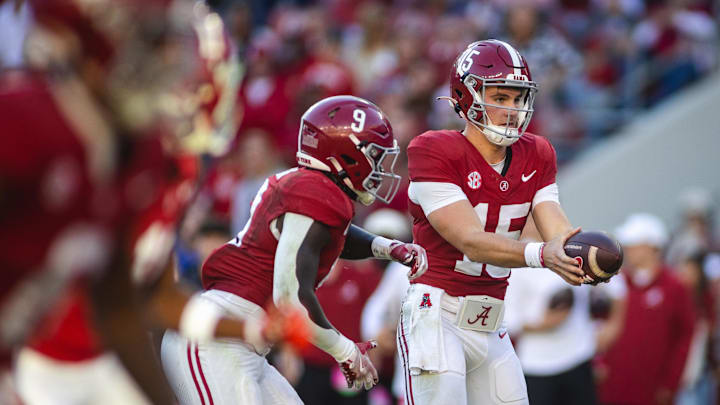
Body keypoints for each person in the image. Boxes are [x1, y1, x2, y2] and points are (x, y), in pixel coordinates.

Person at [2, 1, 296, 404]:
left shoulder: (148, 159)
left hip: (89, 360)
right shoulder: (27, 123)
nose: (180, 73)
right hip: (36, 366)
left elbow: (127, 303)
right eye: (161, 47)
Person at [160, 95, 429, 405]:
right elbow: (289, 298)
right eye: (374, 155)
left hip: (245, 341)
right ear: (346, 153)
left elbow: (332, 236)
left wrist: (386, 247)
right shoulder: (314, 193)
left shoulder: (311, 188)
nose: (380, 168)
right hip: (217, 337)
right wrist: (345, 351)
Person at [399, 39, 588, 405]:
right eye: (500, 97)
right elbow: (471, 240)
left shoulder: (538, 152)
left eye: (518, 99)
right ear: (465, 97)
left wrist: (584, 255)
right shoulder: (433, 149)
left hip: (491, 318)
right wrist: (543, 255)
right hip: (437, 311)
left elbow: (557, 229)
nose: (512, 110)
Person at [595, 213, 695, 405]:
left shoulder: (674, 286)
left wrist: (671, 383)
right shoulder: (614, 282)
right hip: (614, 386)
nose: (628, 249)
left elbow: (684, 336)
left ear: (652, 247)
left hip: (653, 389)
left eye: (634, 244)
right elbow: (598, 325)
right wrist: (599, 363)